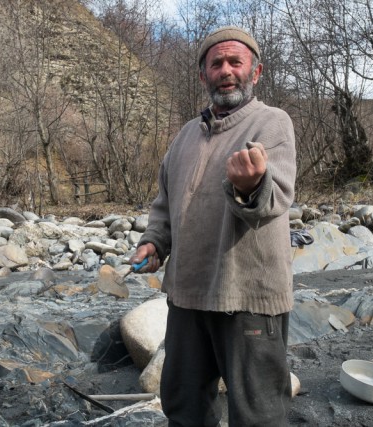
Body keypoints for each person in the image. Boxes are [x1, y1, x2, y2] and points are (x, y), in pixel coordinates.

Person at [132, 25, 297, 427]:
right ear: (204, 74)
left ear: (255, 73)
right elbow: (165, 203)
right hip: (187, 295)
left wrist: (251, 184)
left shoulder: (272, 124)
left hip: (248, 297)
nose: (226, 70)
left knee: (259, 415)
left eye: (235, 62)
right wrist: (155, 242)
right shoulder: (186, 135)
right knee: (184, 406)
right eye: (216, 63)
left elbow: (274, 200)